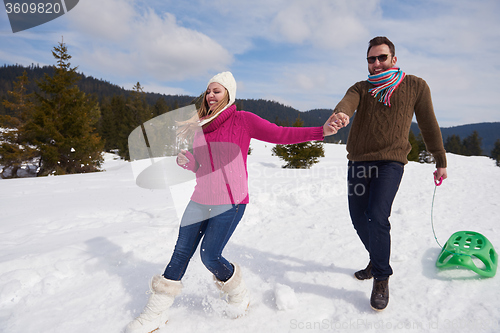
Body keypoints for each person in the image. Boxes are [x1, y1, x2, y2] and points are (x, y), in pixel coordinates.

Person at [125, 71, 342, 333]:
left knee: (210, 256)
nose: (211, 95)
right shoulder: (200, 126)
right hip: (200, 198)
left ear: (228, 93)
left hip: (230, 201)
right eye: (208, 91)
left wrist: (322, 131)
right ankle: (154, 314)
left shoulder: (243, 121)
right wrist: (190, 161)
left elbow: (281, 134)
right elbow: (203, 165)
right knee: (181, 252)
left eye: (217, 90)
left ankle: (238, 292)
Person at [330, 36, 448, 311]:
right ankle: (377, 258)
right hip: (359, 162)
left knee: (377, 215)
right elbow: (347, 102)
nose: (377, 63)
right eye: (371, 59)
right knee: (359, 218)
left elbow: (429, 124)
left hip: (391, 163)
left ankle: (381, 277)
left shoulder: (415, 86)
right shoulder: (361, 88)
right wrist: (341, 115)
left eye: (382, 57)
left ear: (394, 59)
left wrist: (440, 159)